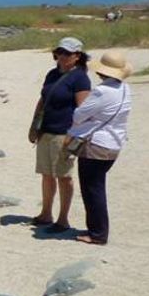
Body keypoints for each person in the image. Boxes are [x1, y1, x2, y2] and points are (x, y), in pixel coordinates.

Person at [66, 51, 133, 244]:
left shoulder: (102, 91)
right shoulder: (125, 89)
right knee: (96, 186)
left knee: (92, 189)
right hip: (114, 143)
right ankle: (98, 230)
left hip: (97, 144)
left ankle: (97, 233)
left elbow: (79, 115)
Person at [28, 37, 91, 232]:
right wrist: (34, 126)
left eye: (67, 53)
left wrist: (75, 136)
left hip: (64, 134)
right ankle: (46, 213)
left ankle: (63, 219)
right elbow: (42, 100)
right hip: (46, 131)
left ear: (77, 56)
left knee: (63, 176)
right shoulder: (52, 74)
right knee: (46, 175)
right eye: (59, 52)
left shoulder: (80, 78)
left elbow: (83, 110)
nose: (62, 57)